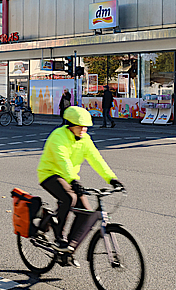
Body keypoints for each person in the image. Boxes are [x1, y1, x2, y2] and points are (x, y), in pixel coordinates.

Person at [37, 106, 124, 257]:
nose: (84, 129)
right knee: (70, 197)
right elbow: (62, 161)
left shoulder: (85, 140)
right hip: (50, 174)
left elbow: (96, 159)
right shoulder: (59, 136)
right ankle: (59, 237)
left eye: (86, 127)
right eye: (80, 126)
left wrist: (112, 179)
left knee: (86, 212)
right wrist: (73, 181)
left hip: (69, 177)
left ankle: (67, 249)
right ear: (70, 125)